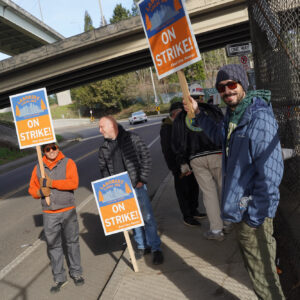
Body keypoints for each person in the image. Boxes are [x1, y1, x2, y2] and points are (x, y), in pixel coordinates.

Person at [184, 64, 285, 299]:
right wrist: (198, 114)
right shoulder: (234, 115)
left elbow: (270, 175)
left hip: (253, 215)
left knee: (265, 279)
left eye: (231, 84)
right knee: (256, 273)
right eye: (221, 87)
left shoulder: (258, 117)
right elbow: (220, 136)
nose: (227, 91)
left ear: (243, 85)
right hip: (242, 210)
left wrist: (254, 217)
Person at [98, 116, 164, 265]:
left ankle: (156, 248)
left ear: (111, 126)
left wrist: (142, 179)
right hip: (120, 191)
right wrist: (110, 189)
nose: (100, 130)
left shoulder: (132, 138)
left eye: (102, 127)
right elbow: (103, 170)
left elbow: (146, 158)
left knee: (147, 219)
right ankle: (142, 246)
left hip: (137, 186)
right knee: (133, 221)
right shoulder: (103, 148)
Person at [172, 87, 228, 240]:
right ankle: (229, 222)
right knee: (224, 188)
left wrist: (183, 162)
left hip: (195, 157)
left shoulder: (180, 117)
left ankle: (216, 230)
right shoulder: (213, 110)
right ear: (202, 97)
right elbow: (224, 131)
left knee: (208, 194)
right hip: (217, 153)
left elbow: (177, 141)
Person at [28, 142, 84, 294]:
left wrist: (52, 183)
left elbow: (74, 183)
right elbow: (32, 189)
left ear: (58, 148)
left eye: (54, 148)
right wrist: (41, 192)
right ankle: (60, 278)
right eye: (48, 149)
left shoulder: (68, 162)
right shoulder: (38, 168)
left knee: (72, 242)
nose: (52, 151)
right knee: (54, 246)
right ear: (44, 151)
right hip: (49, 213)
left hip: (68, 210)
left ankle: (76, 273)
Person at [160, 102, 204, 227]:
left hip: (190, 162)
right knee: (183, 191)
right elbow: (167, 151)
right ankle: (187, 216)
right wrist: (176, 169)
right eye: (181, 114)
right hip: (179, 166)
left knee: (193, 188)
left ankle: (194, 211)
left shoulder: (182, 124)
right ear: (174, 114)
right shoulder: (167, 128)